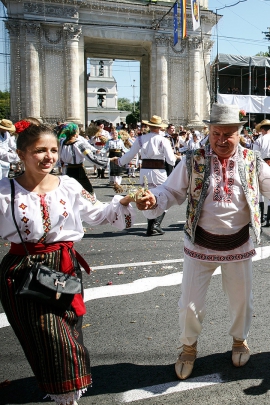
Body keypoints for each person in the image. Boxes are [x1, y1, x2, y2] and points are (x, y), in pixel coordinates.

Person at [134, 104, 270, 379]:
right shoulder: (192, 159)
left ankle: (240, 340)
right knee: (190, 304)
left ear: (240, 133)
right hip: (199, 245)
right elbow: (170, 191)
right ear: (209, 132)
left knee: (241, 301)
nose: (221, 139)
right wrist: (154, 199)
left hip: (238, 245)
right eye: (216, 133)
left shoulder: (252, 161)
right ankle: (188, 347)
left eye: (229, 134)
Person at [0, 123, 135, 405]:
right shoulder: (5, 191)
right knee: (50, 338)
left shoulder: (69, 185)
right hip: (23, 271)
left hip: (63, 267)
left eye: (52, 149)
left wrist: (125, 199)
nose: (49, 156)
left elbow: (98, 213)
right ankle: (66, 398)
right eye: (40, 151)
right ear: (22, 154)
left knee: (69, 332)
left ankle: (66, 393)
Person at [111, 115, 175, 236]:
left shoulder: (141, 139)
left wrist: (119, 161)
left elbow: (130, 154)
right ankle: (155, 225)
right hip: (158, 171)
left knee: (146, 196)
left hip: (145, 171)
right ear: (160, 127)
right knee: (163, 196)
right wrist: (176, 159)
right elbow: (171, 160)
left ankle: (151, 226)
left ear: (150, 126)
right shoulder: (163, 140)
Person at [58, 123, 107, 195]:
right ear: (75, 133)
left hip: (66, 170)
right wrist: (108, 161)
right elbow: (91, 158)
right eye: (77, 131)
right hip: (78, 171)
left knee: (69, 191)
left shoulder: (62, 142)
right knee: (88, 191)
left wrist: (94, 150)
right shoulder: (78, 144)